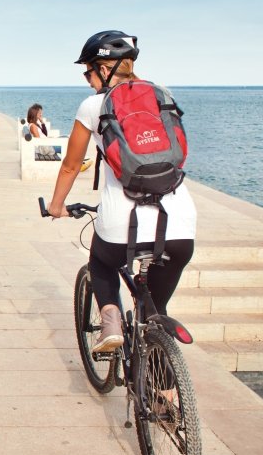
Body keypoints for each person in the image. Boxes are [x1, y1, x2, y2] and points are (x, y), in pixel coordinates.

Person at [47, 30, 196, 353]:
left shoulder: (93, 106)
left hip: (121, 226)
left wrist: (56, 206)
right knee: (156, 311)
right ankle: (168, 393)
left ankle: (110, 318)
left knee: (100, 263)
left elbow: (71, 165)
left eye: (88, 71)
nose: (87, 80)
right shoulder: (162, 94)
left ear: (105, 68)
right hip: (179, 224)